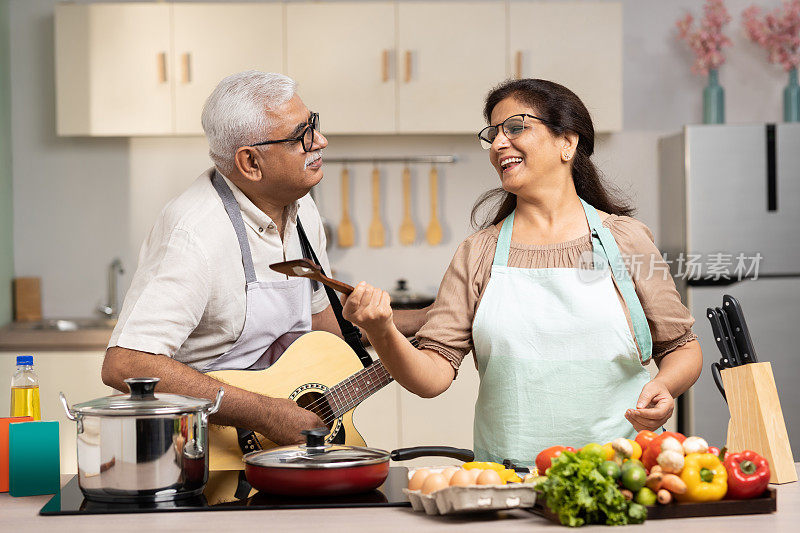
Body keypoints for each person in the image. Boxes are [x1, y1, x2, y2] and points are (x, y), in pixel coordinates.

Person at [342, 79, 703, 464]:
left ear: (567, 142)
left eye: (515, 128)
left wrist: (664, 384)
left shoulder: (626, 241)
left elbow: (682, 347)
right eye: (493, 134)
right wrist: (383, 330)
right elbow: (432, 375)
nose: (498, 144)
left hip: (622, 473)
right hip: (509, 479)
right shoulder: (478, 253)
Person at [101, 71, 426, 445]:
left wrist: (424, 321)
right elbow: (126, 364)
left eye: (313, 124)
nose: (320, 141)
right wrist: (266, 415)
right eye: (301, 136)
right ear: (251, 163)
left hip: (267, 453)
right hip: (188, 453)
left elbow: (324, 331)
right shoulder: (194, 234)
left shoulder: (302, 212)